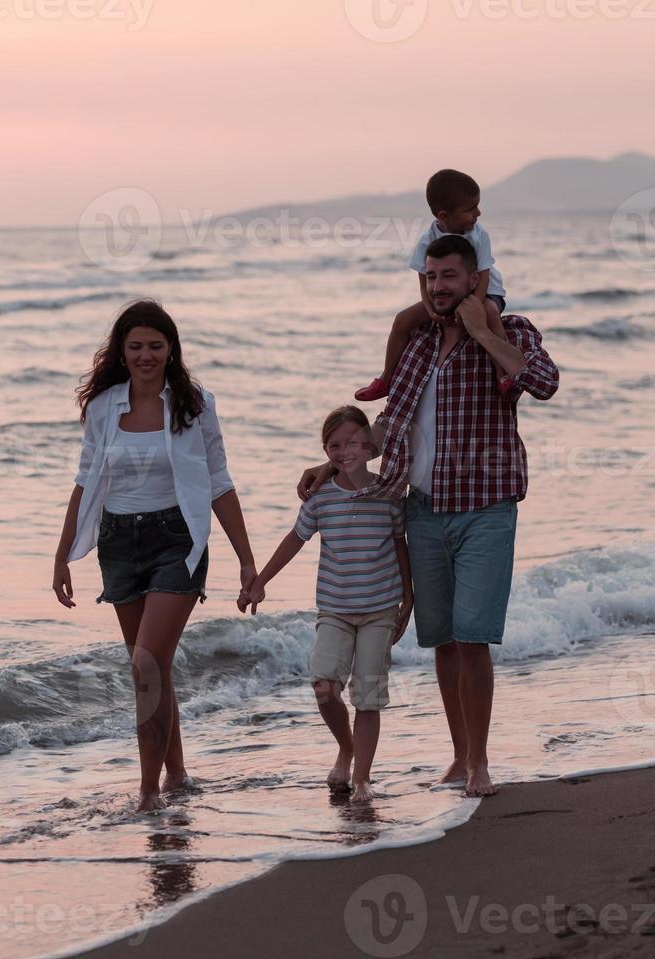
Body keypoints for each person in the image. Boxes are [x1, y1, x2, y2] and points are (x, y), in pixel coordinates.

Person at [302, 235, 558, 797]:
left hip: (486, 510)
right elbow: (390, 421)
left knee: (472, 638)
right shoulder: (418, 345)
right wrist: (336, 464)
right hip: (421, 511)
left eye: (448, 276)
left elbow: (543, 383)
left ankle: (482, 762)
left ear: (475, 280)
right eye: (430, 277)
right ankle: (460, 755)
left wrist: (485, 333)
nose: (437, 286)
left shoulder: (511, 331)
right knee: (441, 639)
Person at [53, 299, 258, 813]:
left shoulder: (195, 403)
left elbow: (219, 482)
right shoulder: (103, 407)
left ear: (171, 350)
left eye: (156, 345)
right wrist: (61, 557)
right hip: (119, 542)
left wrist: (247, 561)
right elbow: (84, 482)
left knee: (145, 663)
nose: (146, 355)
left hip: (178, 539)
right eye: (136, 346)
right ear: (121, 351)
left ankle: (148, 792)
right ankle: (178, 777)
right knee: (153, 669)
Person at [239, 406, 412, 803]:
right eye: (334, 445)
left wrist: (410, 597)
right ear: (325, 451)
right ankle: (346, 748)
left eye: (352, 442)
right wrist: (260, 582)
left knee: (368, 697)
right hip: (334, 608)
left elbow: (400, 545)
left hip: (380, 609)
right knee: (323, 687)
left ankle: (363, 778)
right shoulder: (321, 499)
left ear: (370, 446)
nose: (343, 450)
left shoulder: (389, 493)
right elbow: (294, 540)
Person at [355, 169, 507, 402]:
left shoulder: (479, 235)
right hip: (445, 297)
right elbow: (424, 278)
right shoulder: (428, 239)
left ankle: (503, 374)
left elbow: (484, 275)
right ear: (444, 215)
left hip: (484, 292)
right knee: (402, 320)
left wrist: (473, 305)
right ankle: (386, 378)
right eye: (470, 209)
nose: (478, 213)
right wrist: (430, 310)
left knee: (491, 313)